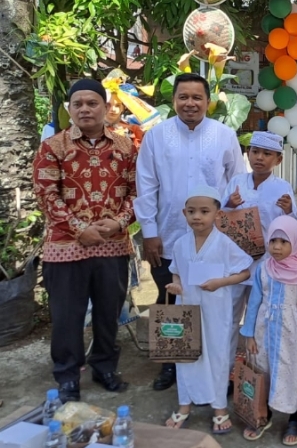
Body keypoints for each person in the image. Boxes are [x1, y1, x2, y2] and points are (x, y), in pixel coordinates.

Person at [135, 72, 246, 391]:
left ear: (208, 102)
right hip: (168, 236)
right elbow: (146, 186)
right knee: (171, 299)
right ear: (173, 101)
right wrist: (150, 232)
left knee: (212, 302)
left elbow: (237, 181)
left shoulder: (224, 135)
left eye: (197, 97)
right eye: (183, 97)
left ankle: (215, 366)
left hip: (214, 239)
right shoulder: (157, 137)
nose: (190, 103)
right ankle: (171, 363)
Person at [33, 79, 137, 403]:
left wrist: (119, 221)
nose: (85, 109)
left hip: (113, 244)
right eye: (77, 104)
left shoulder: (125, 147)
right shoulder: (53, 147)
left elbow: (138, 192)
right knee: (67, 317)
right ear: (69, 109)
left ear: (106, 107)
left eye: (92, 103)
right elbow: (46, 195)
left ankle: (105, 368)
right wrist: (80, 229)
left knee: (108, 314)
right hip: (65, 247)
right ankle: (67, 376)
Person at [164, 186, 253, 435]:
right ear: (184, 213)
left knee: (217, 356)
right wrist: (176, 285)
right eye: (192, 211)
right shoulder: (180, 244)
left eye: (204, 211)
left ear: (217, 214)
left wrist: (220, 282)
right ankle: (184, 404)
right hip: (187, 309)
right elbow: (176, 271)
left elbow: (245, 272)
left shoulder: (224, 244)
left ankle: (219, 407)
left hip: (216, 311)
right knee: (185, 355)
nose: (197, 216)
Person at [223, 131, 297, 370]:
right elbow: (220, 218)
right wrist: (229, 205)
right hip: (235, 264)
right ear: (248, 153)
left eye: (267, 154)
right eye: (255, 152)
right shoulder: (236, 182)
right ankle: (227, 370)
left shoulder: (282, 188)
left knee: (259, 319)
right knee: (229, 318)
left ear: (278, 159)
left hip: (266, 265)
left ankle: (254, 374)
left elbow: (292, 229)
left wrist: (289, 211)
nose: (259, 158)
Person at [240, 216, 297, 445]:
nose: (277, 247)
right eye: (273, 241)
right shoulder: (264, 268)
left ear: (295, 242)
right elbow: (254, 302)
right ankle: (263, 414)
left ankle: (293, 419)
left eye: (283, 241)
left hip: (291, 333)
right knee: (262, 370)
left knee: (292, 372)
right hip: (264, 330)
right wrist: (249, 333)